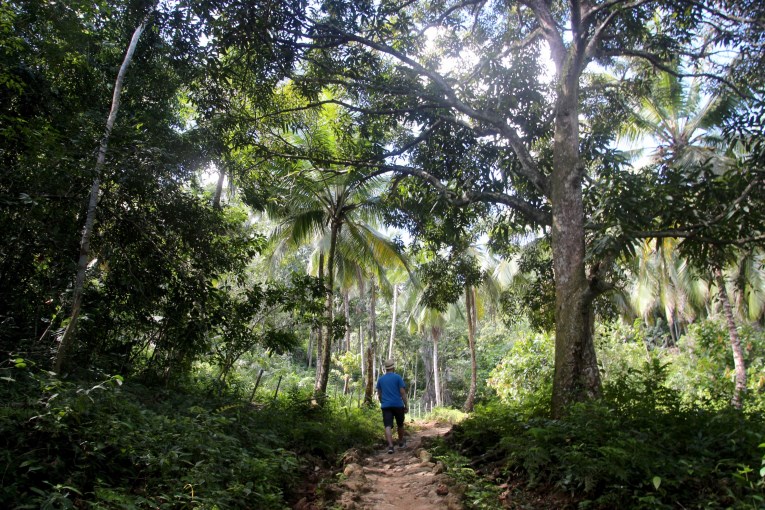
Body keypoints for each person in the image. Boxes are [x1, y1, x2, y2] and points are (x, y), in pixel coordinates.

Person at [376, 358, 408, 454]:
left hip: (386, 406)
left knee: (387, 426)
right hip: (398, 405)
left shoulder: (381, 379)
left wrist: (383, 402)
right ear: (393, 367)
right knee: (400, 424)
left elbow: (379, 394)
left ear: (386, 368)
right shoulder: (398, 378)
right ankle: (401, 442)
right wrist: (406, 405)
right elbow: (403, 393)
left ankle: (390, 446)